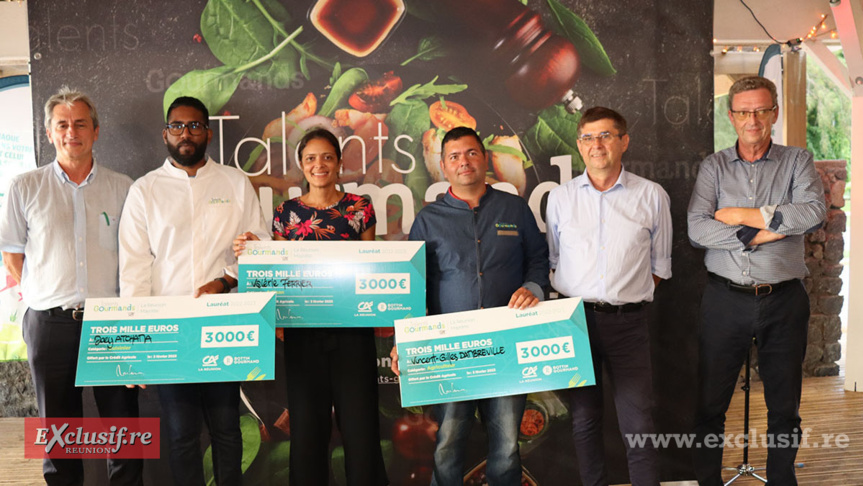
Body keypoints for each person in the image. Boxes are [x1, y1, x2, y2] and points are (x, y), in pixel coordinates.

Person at [118, 96, 269, 486]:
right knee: (182, 434)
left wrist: (225, 280)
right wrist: (138, 342)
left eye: (195, 126)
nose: (186, 134)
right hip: (169, 330)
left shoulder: (234, 183)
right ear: (165, 134)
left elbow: (258, 248)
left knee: (226, 429)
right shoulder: (145, 190)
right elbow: (134, 268)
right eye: (178, 126)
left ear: (209, 132)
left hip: (223, 325)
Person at [390, 126, 549, 485]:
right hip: (450, 351)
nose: (464, 161)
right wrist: (403, 340)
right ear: (444, 167)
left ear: (484, 158)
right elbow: (413, 288)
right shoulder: (429, 221)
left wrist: (534, 286)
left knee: (507, 445)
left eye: (472, 153)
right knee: (447, 443)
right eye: (455, 156)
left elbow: (539, 259)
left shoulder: (514, 208)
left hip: (507, 348)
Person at [687, 76, 826, 486]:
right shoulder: (713, 167)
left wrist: (740, 216)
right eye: (744, 111)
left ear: (774, 114)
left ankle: (782, 480)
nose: (753, 119)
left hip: (784, 300)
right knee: (711, 403)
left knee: (784, 405)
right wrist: (766, 230)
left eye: (761, 110)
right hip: (723, 300)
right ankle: (708, 481)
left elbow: (812, 212)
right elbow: (697, 229)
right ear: (731, 116)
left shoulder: (797, 160)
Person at [0, 87, 142, 485]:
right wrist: (41, 292)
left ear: (96, 131)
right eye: (62, 124)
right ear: (49, 133)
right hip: (50, 322)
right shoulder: (25, 187)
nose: (71, 132)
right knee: (58, 432)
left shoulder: (124, 187)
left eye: (80, 123)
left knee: (123, 428)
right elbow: (12, 254)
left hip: (111, 323)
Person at [233, 128, 388, 486]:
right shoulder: (286, 213)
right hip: (303, 336)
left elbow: (373, 264)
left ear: (338, 163)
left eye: (327, 157)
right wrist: (256, 249)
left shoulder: (359, 207)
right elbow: (279, 269)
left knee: (361, 428)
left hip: (353, 333)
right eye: (311, 159)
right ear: (301, 166)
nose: (319, 165)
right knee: (307, 431)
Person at [545, 106, 671, 486]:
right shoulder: (560, 198)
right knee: (584, 421)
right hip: (575, 322)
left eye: (605, 136)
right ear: (579, 145)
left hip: (628, 324)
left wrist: (622, 295)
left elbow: (659, 266)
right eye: (587, 137)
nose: (596, 145)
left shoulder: (651, 196)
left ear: (623, 141)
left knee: (639, 424)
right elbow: (553, 259)